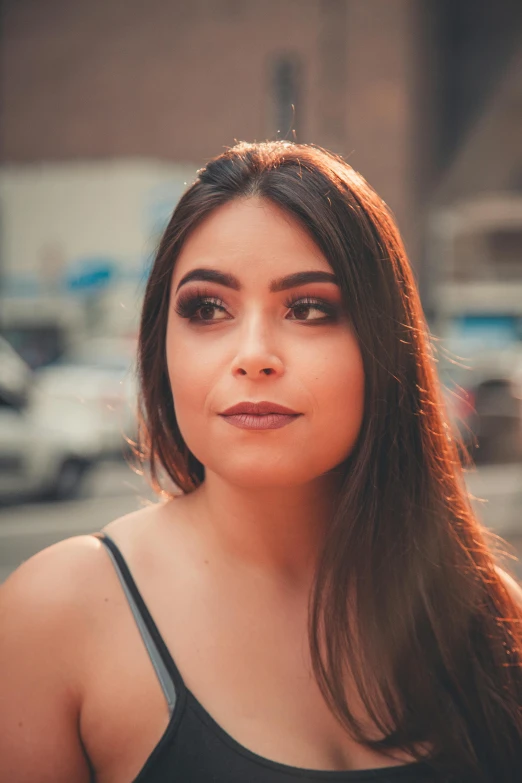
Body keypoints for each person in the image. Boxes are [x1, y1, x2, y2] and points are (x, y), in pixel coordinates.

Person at [1, 141, 521, 783]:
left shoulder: (489, 615)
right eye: (207, 308)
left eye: (308, 309)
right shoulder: (57, 615)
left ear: (384, 347)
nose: (253, 355)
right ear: (162, 344)